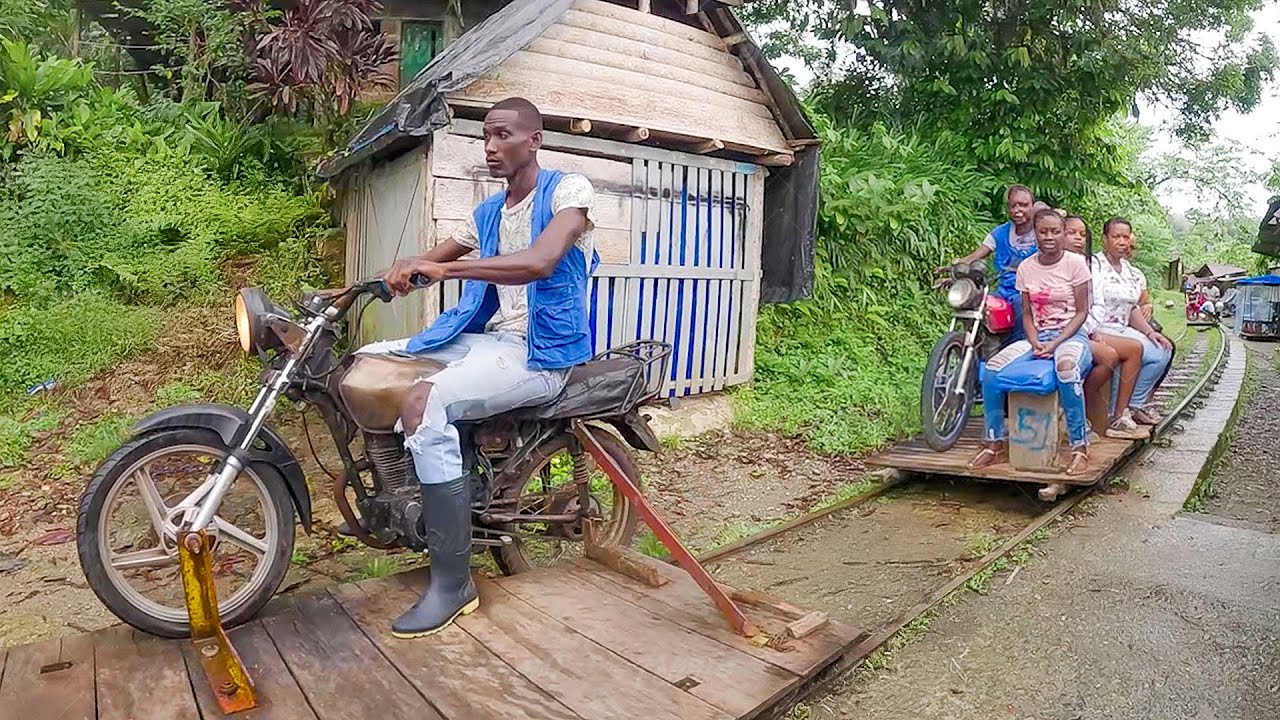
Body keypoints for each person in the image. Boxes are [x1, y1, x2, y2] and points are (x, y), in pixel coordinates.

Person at [363, 97, 599, 639]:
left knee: (424, 400)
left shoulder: (568, 192)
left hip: (540, 352)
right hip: (490, 342)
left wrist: (444, 270)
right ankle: (408, 487)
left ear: (534, 140)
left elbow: (539, 261)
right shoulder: (488, 213)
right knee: (370, 359)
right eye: (485, 137)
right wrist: (384, 278)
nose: (490, 147)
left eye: (502, 136)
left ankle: (453, 584)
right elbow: (429, 260)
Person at [970, 210, 1094, 475]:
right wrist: (1035, 341)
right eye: (1043, 232)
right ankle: (994, 442)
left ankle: (1079, 447)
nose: (1049, 237)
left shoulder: (1075, 264)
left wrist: (1055, 343)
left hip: (1071, 336)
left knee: (1067, 370)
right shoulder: (1026, 267)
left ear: (1063, 233)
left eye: (1055, 231)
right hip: (1036, 336)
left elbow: (1082, 313)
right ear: (1035, 234)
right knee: (991, 370)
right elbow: (1027, 313)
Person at [1090, 218, 1173, 431]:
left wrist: (1150, 332)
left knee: (1161, 351)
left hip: (1122, 327)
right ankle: (1115, 412)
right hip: (1097, 328)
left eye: (1125, 237)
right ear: (1105, 239)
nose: (1121, 241)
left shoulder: (1129, 270)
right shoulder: (1094, 265)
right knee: (1131, 350)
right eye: (1116, 236)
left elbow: (1132, 307)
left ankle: (1133, 405)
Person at [1063, 215, 1126, 438]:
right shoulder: (1048, 263)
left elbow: (1097, 305)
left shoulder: (1090, 266)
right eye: (1071, 233)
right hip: (1053, 331)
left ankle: (1082, 406)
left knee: (1108, 357)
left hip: (1081, 330)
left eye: (1082, 234)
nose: (1078, 238)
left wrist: (1085, 328)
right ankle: (1073, 415)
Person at [953, 185, 1039, 341]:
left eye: (1023, 205)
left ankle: (1019, 345)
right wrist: (956, 266)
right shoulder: (999, 233)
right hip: (1003, 291)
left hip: (1030, 292)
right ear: (1008, 209)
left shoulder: (1042, 232)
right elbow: (976, 255)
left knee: (1022, 307)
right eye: (1013, 206)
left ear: (1032, 207)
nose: (1018, 210)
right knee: (977, 303)